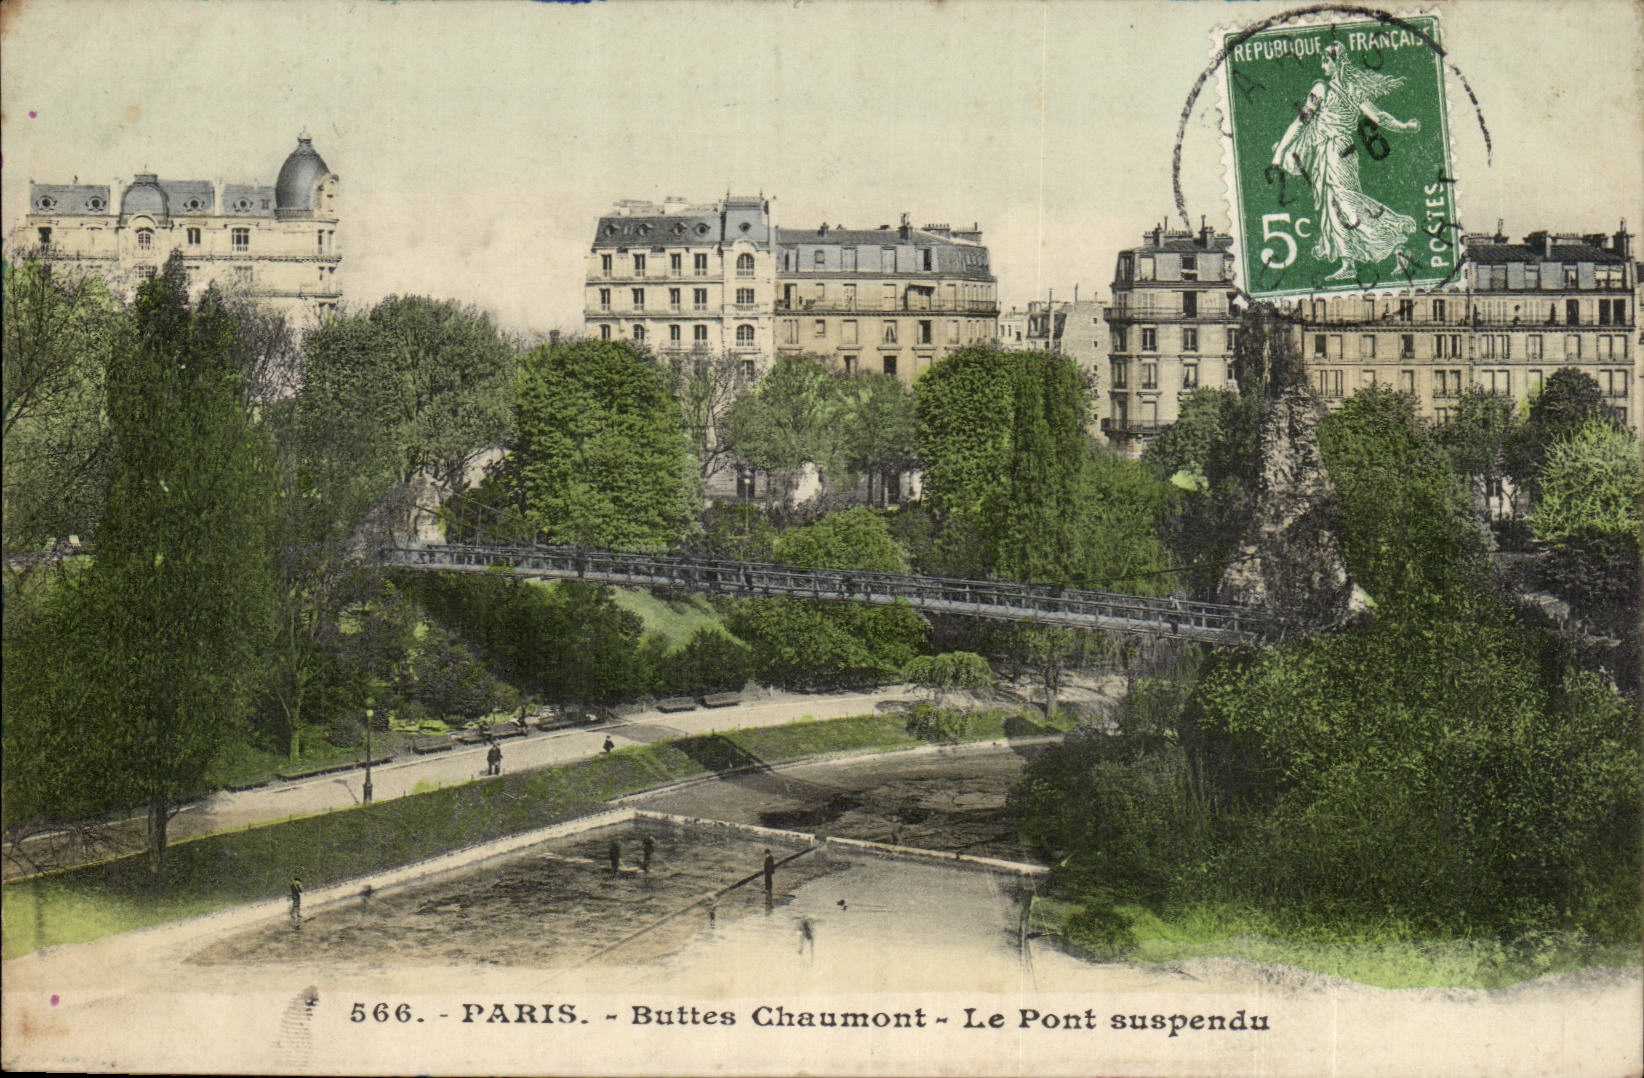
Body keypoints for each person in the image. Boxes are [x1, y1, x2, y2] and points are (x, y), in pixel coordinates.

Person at [1269, 42, 1421, 281]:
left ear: (1338, 62)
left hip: (1339, 153)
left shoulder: (1344, 90)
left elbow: (1378, 116)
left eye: (1326, 61)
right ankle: (1348, 263)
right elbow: (1300, 122)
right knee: (1331, 209)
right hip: (1326, 153)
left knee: (1349, 205)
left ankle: (1399, 244)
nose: (1322, 66)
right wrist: (1280, 152)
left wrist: (1403, 127)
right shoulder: (1325, 89)